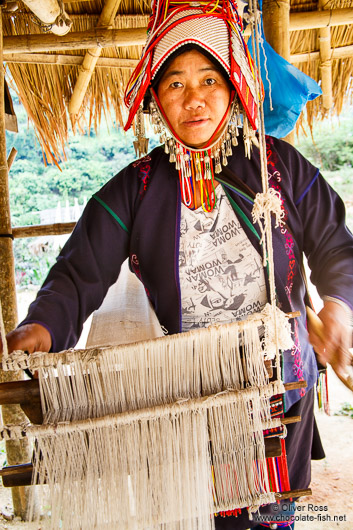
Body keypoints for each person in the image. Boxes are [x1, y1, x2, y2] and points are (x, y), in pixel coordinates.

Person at [2, 1, 353, 529]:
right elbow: (79, 273)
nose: (195, 100)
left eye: (209, 79)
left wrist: (341, 307)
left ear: (233, 86)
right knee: (206, 513)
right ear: (157, 100)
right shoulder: (136, 189)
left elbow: (336, 248)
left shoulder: (278, 167)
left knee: (268, 516)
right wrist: (41, 327)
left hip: (281, 388)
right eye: (175, 84)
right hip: (190, 394)